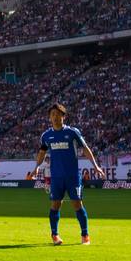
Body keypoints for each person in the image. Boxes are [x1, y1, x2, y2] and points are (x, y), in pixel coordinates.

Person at [33, 104, 104, 246]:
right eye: (52, 114)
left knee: (77, 204)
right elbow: (42, 152)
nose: (55, 116)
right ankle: (55, 235)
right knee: (55, 205)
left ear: (63, 116)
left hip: (72, 176)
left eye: (58, 114)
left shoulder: (72, 132)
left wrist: (95, 166)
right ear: (49, 117)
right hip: (56, 177)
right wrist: (36, 167)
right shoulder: (46, 136)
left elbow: (85, 148)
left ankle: (85, 235)